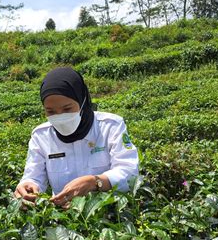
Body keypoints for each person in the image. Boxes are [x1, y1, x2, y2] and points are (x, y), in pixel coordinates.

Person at [14, 67, 139, 208]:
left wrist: (95, 182)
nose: (60, 117)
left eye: (67, 109)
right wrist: (28, 187)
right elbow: (34, 176)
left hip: (110, 213)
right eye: (51, 111)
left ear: (82, 101)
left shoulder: (110, 126)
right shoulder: (41, 136)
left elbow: (129, 172)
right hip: (64, 218)